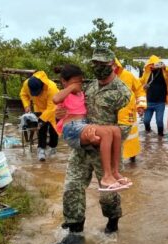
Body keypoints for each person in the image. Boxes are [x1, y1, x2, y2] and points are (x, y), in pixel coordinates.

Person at [49, 48, 131, 244]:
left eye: (102, 64)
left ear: (113, 64)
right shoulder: (89, 86)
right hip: (82, 146)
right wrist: (60, 115)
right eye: (94, 64)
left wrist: (98, 139)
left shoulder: (123, 93)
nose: (97, 68)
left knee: (108, 195)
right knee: (72, 186)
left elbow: (125, 127)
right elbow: (72, 111)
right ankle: (75, 232)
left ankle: (112, 227)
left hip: (105, 149)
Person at [52, 64, 130, 192]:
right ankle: (107, 176)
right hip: (73, 128)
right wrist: (71, 88)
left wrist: (94, 139)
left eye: (80, 82)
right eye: (75, 82)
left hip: (84, 126)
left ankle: (115, 172)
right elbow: (56, 99)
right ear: (64, 82)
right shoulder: (67, 94)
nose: (78, 85)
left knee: (115, 130)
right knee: (106, 132)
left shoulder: (85, 92)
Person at [20, 70, 59, 161]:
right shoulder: (27, 84)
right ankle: (41, 149)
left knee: (54, 130)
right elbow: (23, 94)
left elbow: (51, 108)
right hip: (39, 108)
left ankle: (53, 147)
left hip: (53, 109)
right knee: (41, 130)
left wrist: (41, 121)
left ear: (42, 86)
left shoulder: (51, 88)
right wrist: (26, 105)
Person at [115, 58, 147, 162]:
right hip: (110, 114)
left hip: (128, 113)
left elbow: (139, 90)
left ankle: (132, 161)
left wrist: (141, 105)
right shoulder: (103, 78)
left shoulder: (128, 75)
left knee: (131, 138)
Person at [139, 55, 168, 136]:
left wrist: (164, 67)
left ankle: (160, 137)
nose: (153, 66)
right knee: (146, 121)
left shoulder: (164, 73)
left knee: (159, 121)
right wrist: (143, 86)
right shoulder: (147, 73)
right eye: (151, 64)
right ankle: (148, 136)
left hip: (160, 102)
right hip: (149, 101)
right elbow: (140, 82)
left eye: (155, 64)